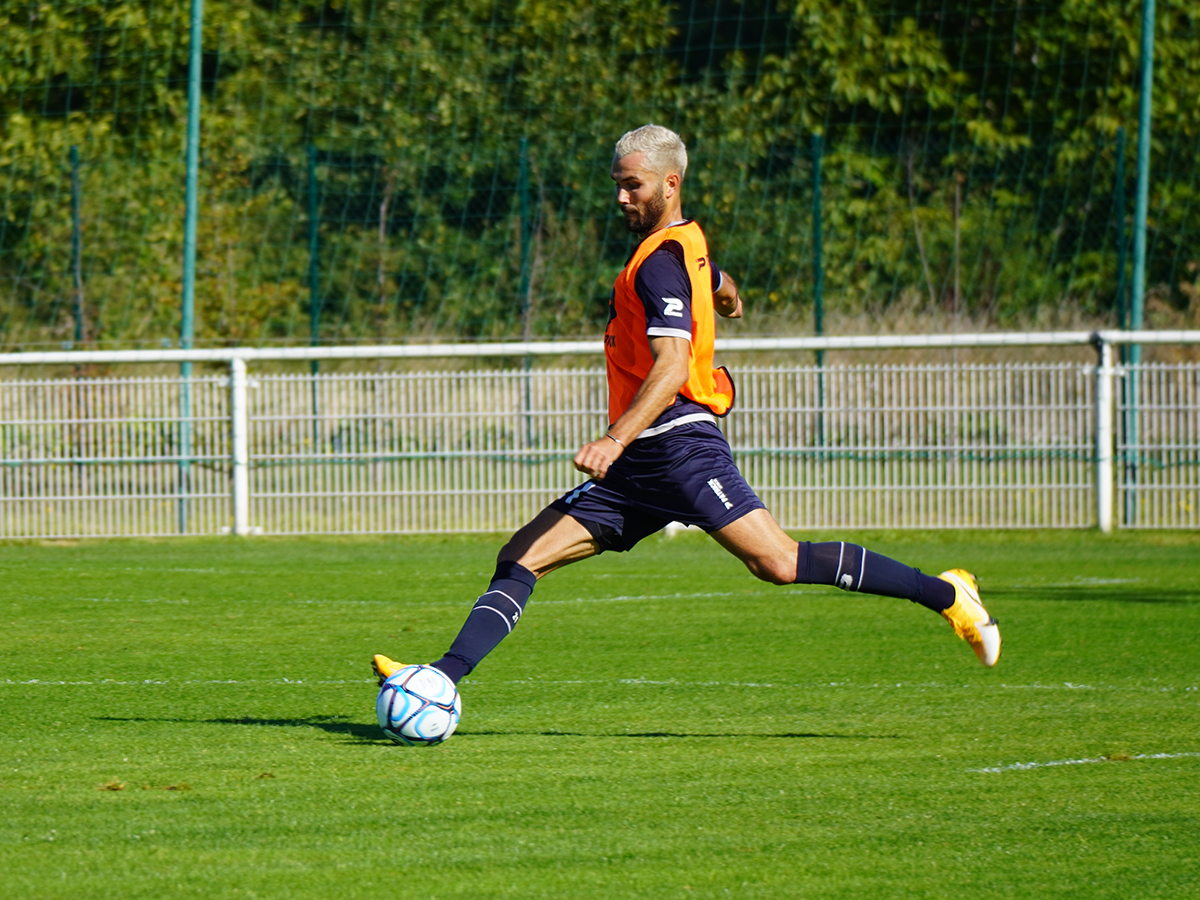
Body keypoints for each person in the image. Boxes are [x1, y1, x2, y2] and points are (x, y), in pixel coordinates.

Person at [372, 124, 999, 690]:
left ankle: (948, 595)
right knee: (522, 555)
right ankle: (440, 680)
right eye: (617, 185)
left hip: (676, 446)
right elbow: (714, 276)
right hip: (639, 465)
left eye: (632, 185)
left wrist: (613, 439)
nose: (621, 197)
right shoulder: (680, 247)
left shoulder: (657, 266)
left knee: (778, 562)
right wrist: (728, 295)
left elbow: (672, 366)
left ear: (670, 185)